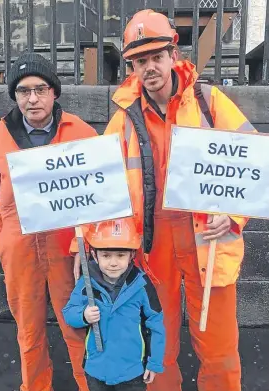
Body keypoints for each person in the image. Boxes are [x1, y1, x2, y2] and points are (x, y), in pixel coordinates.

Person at [102, 9, 255, 391]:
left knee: (220, 350)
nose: (150, 67)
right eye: (141, 61)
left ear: (174, 55)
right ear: (132, 67)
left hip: (209, 240)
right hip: (153, 246)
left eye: (156, 56)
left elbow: (254, 167)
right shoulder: (122, 119)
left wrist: (234, 216)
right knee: (158, 346)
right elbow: (101, 190)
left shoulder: (209, 101)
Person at [0, 51, 97, 391]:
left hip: (69, 247)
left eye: (40, 89)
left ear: (54, 92)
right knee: (28, 330)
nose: (32, 98)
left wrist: (85, 239)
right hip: (20, 249)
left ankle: (90, 385)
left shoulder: (83, 132)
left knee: (77, 325)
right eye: (23, 91)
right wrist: (7, 230)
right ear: (15, 95)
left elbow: (103, 190)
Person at [63, 218, 165, 391]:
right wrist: (83, 315)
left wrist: (154, 363)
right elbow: (69, 312)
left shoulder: (142, 285)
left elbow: (155, 323)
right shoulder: (86, 283)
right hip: (96, 369)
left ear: (132, 255)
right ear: (94, 255)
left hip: (132, 372)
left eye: (120, 255)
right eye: (106, 255)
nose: (113, 263)